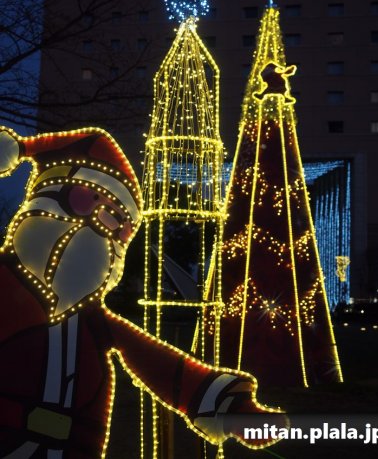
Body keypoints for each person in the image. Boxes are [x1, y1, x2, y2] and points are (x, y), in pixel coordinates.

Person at [0, 126, 287, 458]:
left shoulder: (92, 322)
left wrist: (233, 408)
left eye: (118, 224)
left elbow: (159, 365)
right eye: (88, 200)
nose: (100, 224)